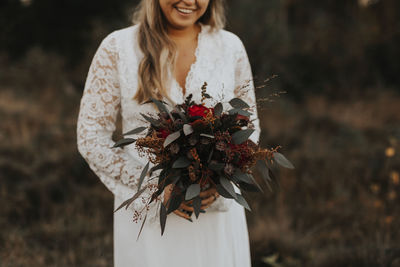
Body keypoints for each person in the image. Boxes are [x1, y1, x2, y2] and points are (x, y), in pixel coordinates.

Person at [77, 0, 260, 266]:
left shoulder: (230, 46)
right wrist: (155, 188)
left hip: (215, 219)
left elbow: (249, 126)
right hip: (151, 222)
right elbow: (90, 136)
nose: (190, 1)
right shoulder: (118, 47)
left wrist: (222, 181)